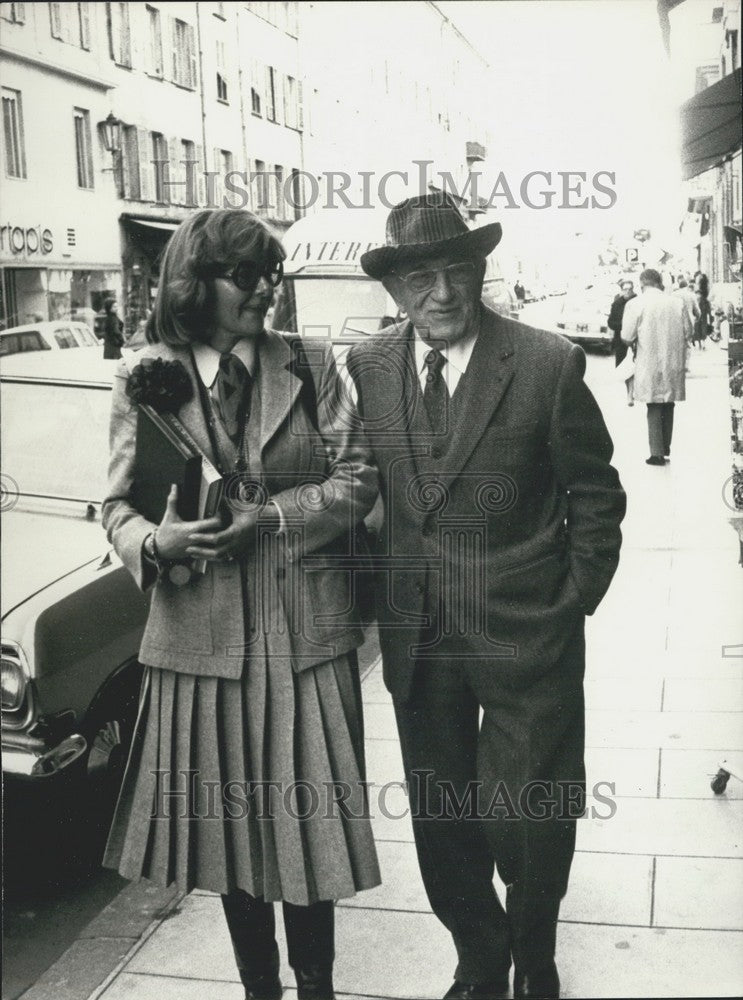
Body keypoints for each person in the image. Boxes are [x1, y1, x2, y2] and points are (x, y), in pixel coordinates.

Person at [348, 192, 626, 1000]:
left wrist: (575, 592)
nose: (440, 294)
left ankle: (533, 949)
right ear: (395, 291)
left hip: (527, 627)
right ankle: (479, 955)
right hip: (417, 633)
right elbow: (362, 485)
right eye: (420, 278)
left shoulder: (545, 362)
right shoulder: (368, 366)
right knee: (440, 815)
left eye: (456, 271)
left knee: (532, 810)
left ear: (479, 272)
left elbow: (594, 491)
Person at [102, 208, 381, 1000]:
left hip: (303, 639)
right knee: (229, 834)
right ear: (197, 283)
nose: (266, 287)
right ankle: (260, 988)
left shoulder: (316, 364)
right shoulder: (144, 377)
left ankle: (317, 986)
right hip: (200, 641)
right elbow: (117, 507)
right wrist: (156, 545)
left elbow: (358, 480)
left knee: (309, 827)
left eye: (271, 272)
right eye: (246, 275)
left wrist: (274, 518)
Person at [621, 268, 692, 466]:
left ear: (642, 284)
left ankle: (656, 453)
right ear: (659, 283)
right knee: (669, 402)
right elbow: (689, 331)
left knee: (653, 404)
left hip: (648, 361)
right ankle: (665, 447)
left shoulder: (635, 304)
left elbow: (626, 336)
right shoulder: (677, 303)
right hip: (673, 360)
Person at [607, 279, 636, 366]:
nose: (627, 291)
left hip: (635, 340)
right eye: (625, 289)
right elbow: (611, 322)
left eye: (630, 289)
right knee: (620, 363)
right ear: (621, 290)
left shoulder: (637, 302)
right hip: (620, 340)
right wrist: (623, 325)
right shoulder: (616, 304)